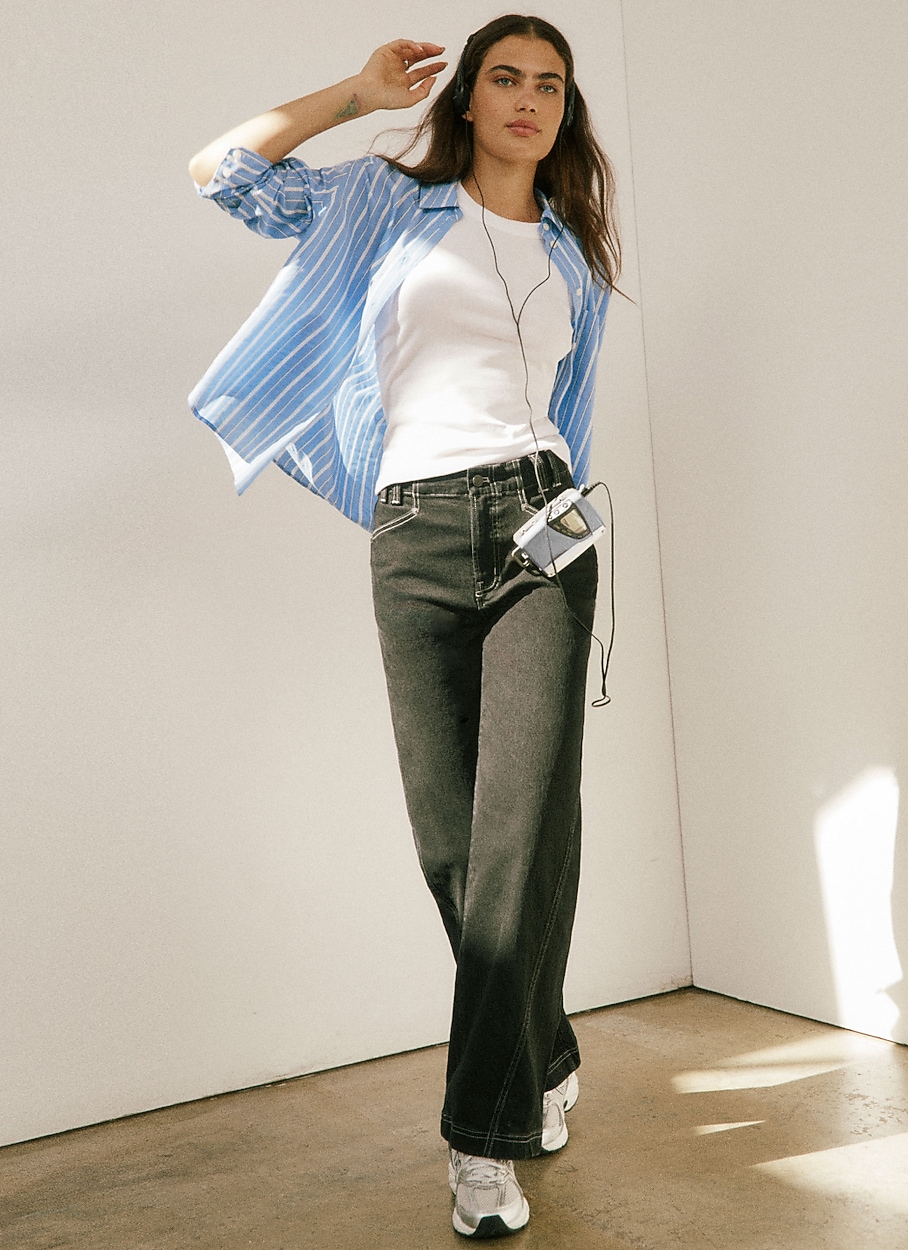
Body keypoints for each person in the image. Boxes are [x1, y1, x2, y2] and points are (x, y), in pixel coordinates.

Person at [188, 14, 621, 1238]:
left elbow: (572, 423)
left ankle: (478, 1147)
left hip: (547, 533)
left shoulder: (575, 258)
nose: (528, 99)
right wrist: (357, 95)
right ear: (470, 99)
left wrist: (573, 532)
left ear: (564, 111)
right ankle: (537, 1045)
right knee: (453, 847)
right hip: (418, 533)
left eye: (550, 84)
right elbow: (223, 172)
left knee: (520, 832)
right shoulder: (387, 202)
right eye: (505, 78)